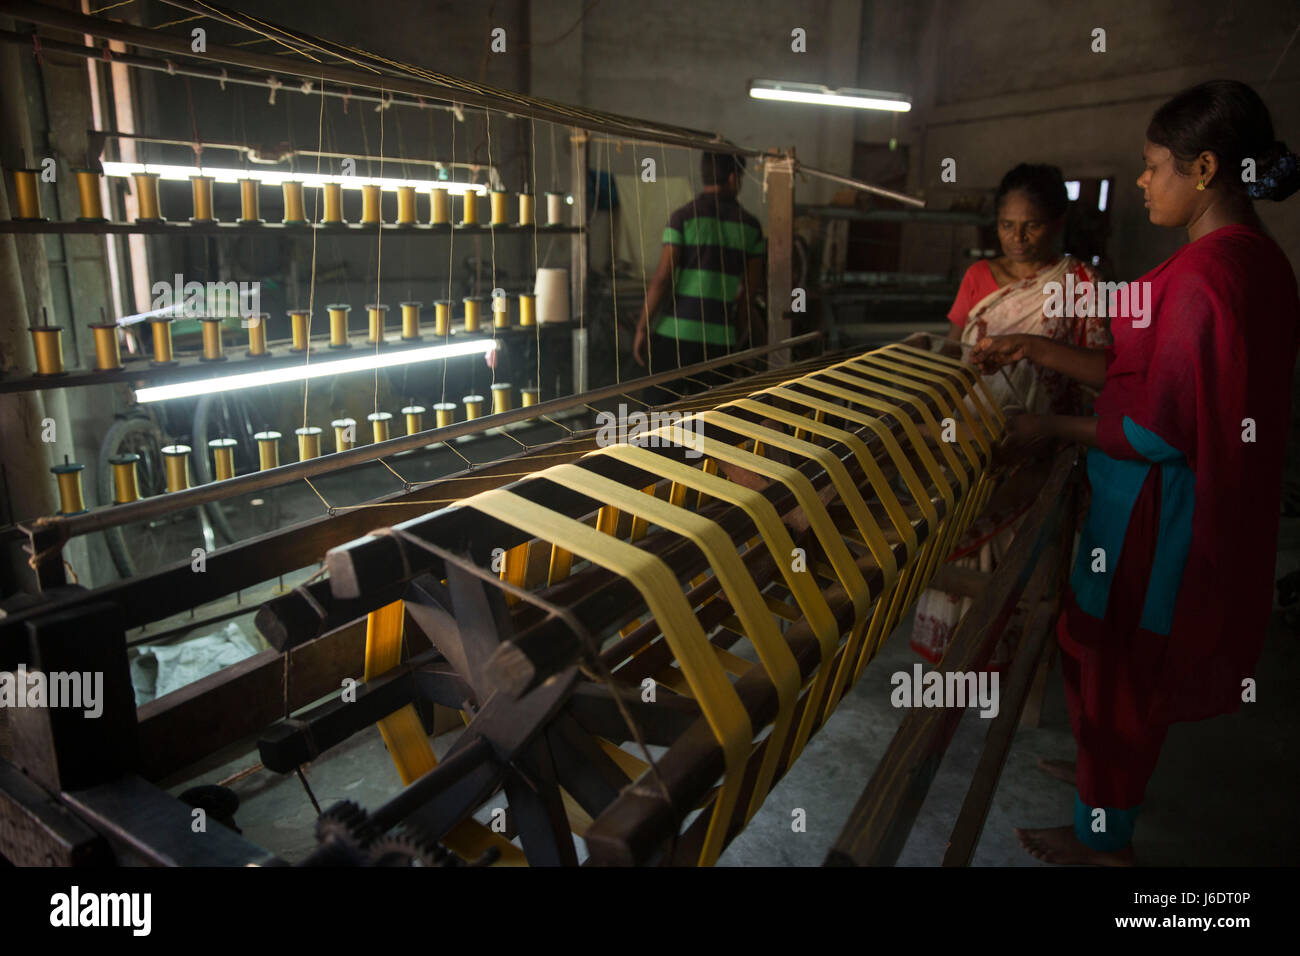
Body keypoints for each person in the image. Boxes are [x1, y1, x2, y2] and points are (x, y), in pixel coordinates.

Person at [972, 79, 1300, 865]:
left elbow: (1156, 424)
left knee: (1121, 666)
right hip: (1158, 502)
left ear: (1208, 167)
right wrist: (1036, 348)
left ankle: (1103, 840)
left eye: (1155, 166)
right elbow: (1141, 376)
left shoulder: (1203, 278)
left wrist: (1045, 424)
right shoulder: (1250, 261)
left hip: (1155, 515)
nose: (1145, 181)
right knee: (1106, 661)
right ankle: (1098, 777)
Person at [910, 164, 1110, 666]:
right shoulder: (979, 276)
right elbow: (953, 350)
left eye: (1032, 225)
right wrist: (921, 353)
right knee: (957, 532)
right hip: (970, 436)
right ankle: (957, 661)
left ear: (1058, 222)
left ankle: (1003, 662)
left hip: (1037, 444)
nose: (1017, 238)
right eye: (1006, 225)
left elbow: (1103, 372)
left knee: (1017, 559)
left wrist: (1037, 361)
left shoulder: (1082, 282)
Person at [632, 151, 765, 388]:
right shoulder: (751, 228)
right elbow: (749, 294)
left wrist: (642, 327)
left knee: (659, 416)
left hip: (674, 334)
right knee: (706, 418)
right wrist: (734, 335)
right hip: (718, 341)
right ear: (734, 178)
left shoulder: (682, 218)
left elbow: (663, 279)